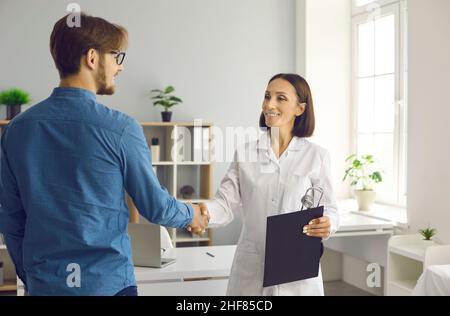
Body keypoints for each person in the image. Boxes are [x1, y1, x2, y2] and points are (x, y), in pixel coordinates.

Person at [0, 13, 208, 296]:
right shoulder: (120, 129)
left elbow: (11, 218)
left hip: (44, 286)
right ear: (92, 58)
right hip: (108, 286)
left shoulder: (17, 130)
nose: (119, 67)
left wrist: (36, 277)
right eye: (116, 56)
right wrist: (192, 213)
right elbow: (156, 206)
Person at [201, 73, 340, 296]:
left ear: (300, 109)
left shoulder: (317, 157)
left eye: (280, 98)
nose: (269, 105)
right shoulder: (245, 153)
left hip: (297, 273)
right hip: (252, 267)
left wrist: (328, 223)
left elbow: (330, 209)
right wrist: (203, 212)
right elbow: (225, 204)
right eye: (267, 96)